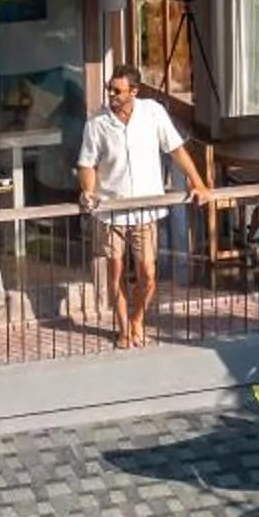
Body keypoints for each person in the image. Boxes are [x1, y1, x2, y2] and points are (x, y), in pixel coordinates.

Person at [76, 66, 213, 349]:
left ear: (134, 92)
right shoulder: (97, 123)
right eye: (109, 89)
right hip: (109, 210)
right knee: (114, 272)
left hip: (145, 211)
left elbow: (176, 148)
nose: (111, 95)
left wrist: (198, 183)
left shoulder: (153, 112)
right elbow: (86, 163)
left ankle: (137, 318)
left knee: (147, 274)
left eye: (117, 90)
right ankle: (124, 328)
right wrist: (87, 192)